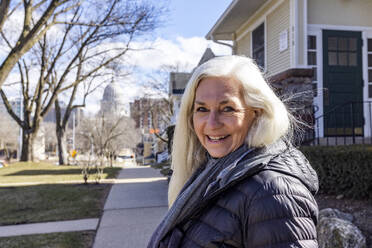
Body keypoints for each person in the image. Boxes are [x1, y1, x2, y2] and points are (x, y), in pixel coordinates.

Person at [148, 55, 319, 248]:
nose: (212, 124)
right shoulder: (211, 173)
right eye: (202, 109)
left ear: (257, 113)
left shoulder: (273, 192)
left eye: (227, 108)